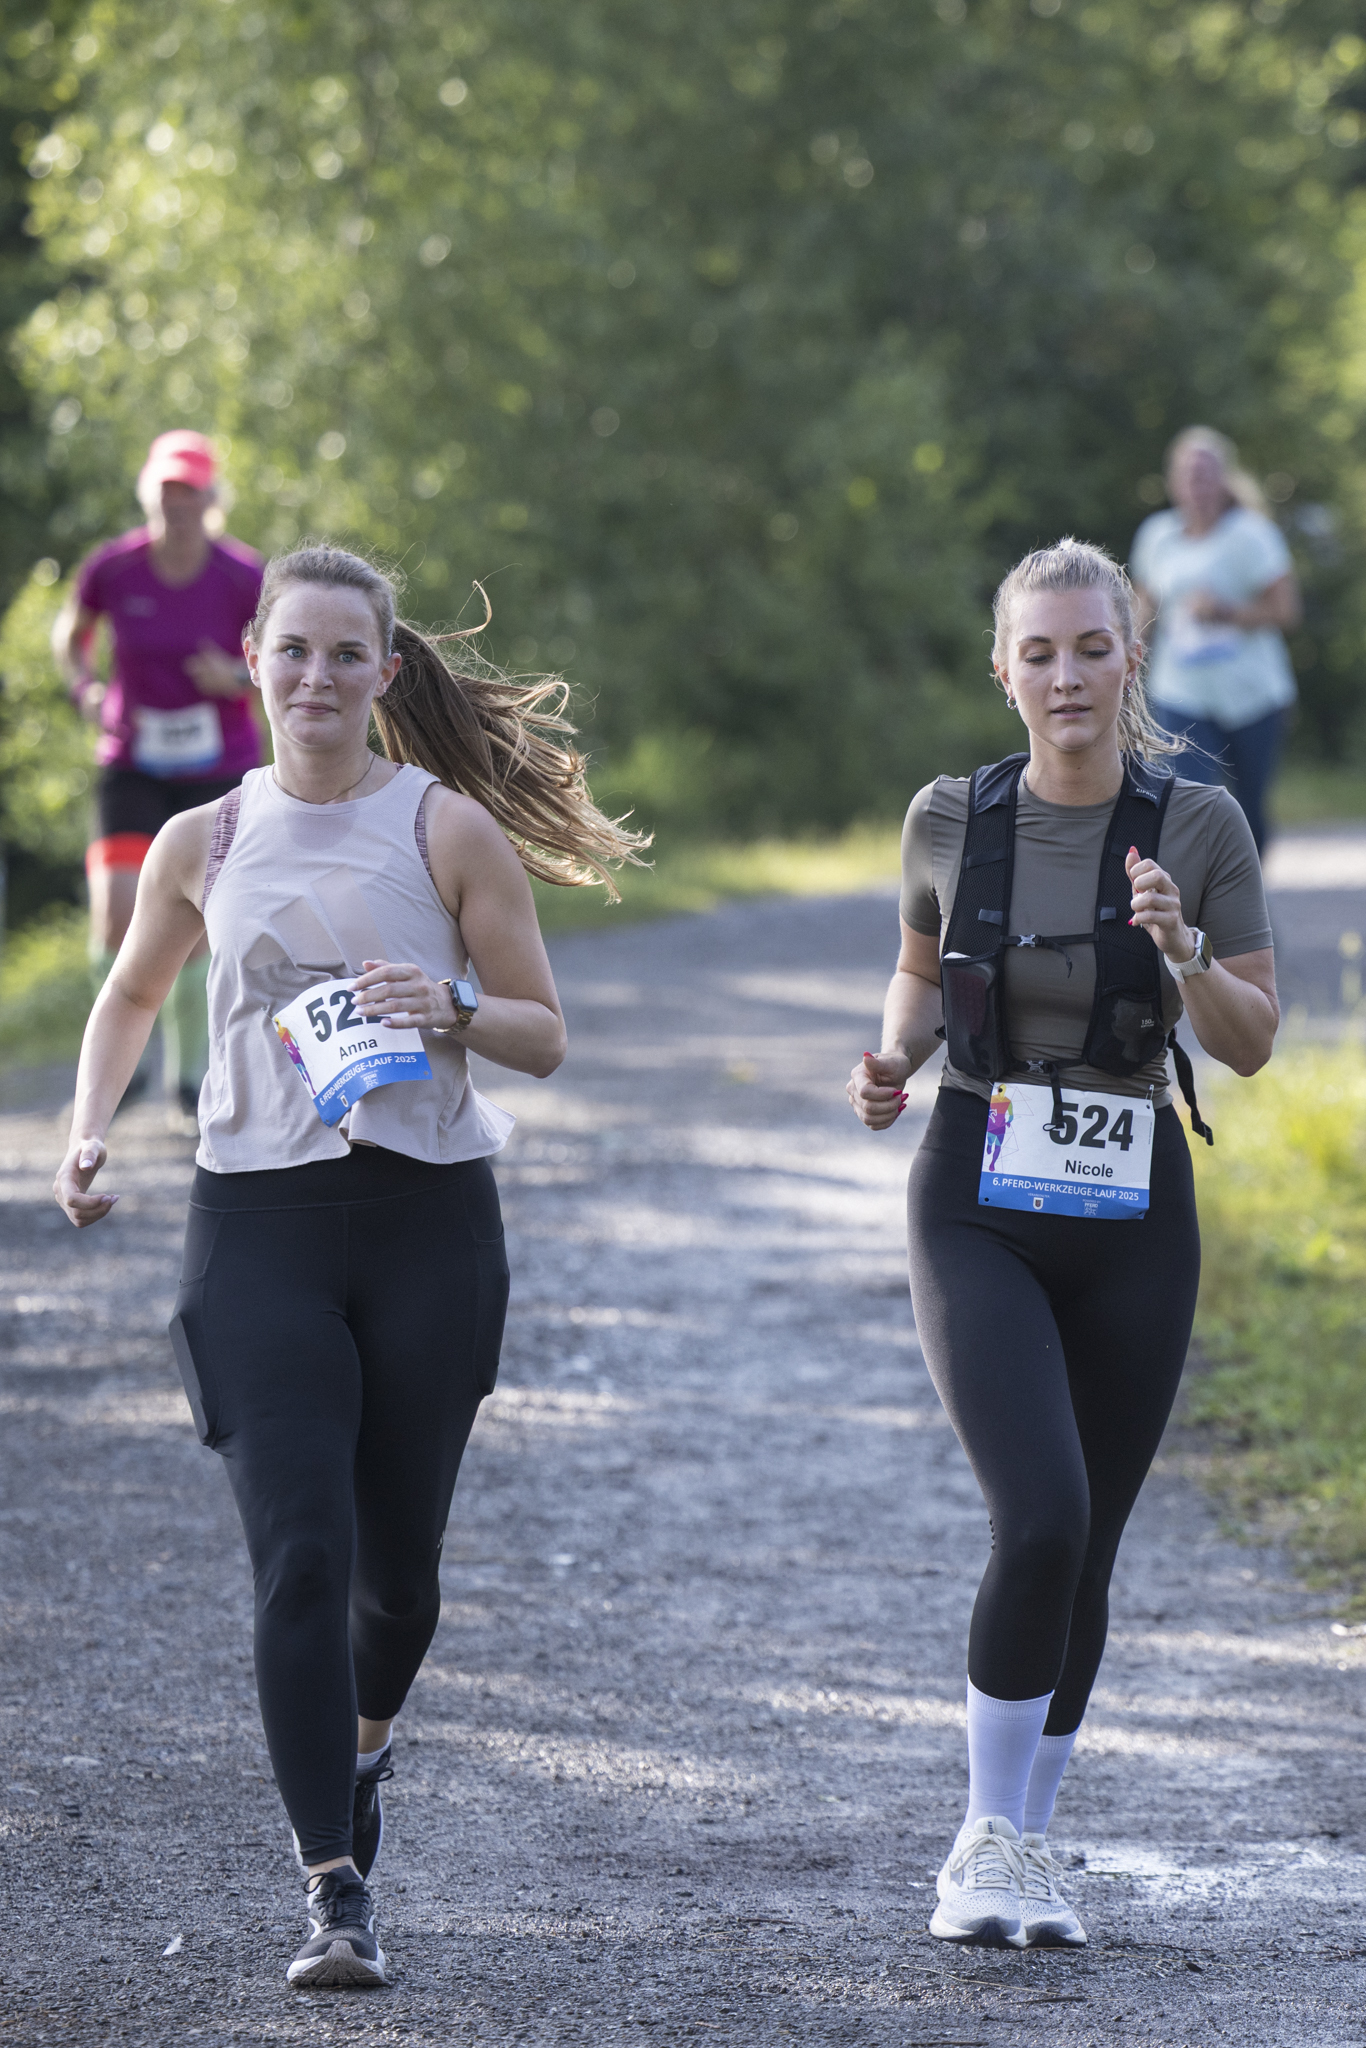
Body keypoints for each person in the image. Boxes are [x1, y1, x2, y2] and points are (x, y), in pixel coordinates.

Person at [53, 546, 646, 1988]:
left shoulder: (446, 829)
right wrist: (84, 1130)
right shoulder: (203, 838)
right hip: (255, 1230)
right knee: (302, 1553)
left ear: (385, 671)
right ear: (253, 661)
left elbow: (543, 1032)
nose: (314, 677)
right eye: (292, 650)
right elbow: (131, 993)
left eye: (342, 653)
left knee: (398, 1581)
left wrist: (449, 1005)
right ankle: (333, 1887)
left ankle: (364, 1750)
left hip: (425, 1224)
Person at [848, 539, 1277, 1950]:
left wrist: (1184, 952)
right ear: (1003, 669)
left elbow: (1251, 1042)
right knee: (1036, 1512)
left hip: (1133, 1201)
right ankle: (980, 1839)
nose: (1066, 674)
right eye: (1038, 652)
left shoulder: (1197, 823)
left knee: (1087, 1544)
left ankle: (1027, 1843)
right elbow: (919, 968)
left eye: (1091, 647)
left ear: (1129, 657)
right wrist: (894, 1056)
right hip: (977, 1188)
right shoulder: (947, 816)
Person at [52, 430, 263, 1124]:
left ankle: (188, 1076)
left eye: (190, 491)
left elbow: (284, 655)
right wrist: (84, 686)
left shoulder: (244, 575)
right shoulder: (114, 568)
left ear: (211, 498)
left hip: (218, 764)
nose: (177, 503)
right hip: (132, 760)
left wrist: (235, 676)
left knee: (199, 919)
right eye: (167, 490)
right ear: (150, 494)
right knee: (115, 910)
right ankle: (120, 1064)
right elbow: (71, 634)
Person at [1131, 425, 1301, 855]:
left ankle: (1247, 887)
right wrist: (1125, 660)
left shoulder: (1251, 534)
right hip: (1181, 693)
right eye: (1189, 475)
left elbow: (1287, 611)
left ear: (1224, 479)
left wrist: (1227, 612)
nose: (1198, 485)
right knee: (1186, 801)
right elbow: (1143, 608)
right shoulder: (1157, 535)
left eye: (1207, 474)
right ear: (1173, 482)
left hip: (1251, 695)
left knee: (1248, 809)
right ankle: (1194, 892)